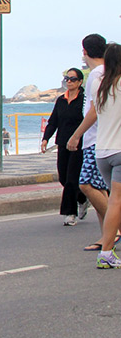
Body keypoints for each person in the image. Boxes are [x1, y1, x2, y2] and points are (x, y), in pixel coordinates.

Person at [67, 43, 121, 267]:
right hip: (119, 151)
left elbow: (92, 115)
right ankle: (107, 254)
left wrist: (76, 135)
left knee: (115, 201)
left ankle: (108, 247)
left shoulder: (101, 86)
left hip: (102, 153)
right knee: (116, 201)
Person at [41, 68, 87, 226]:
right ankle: (82, 197)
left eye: (73, 79)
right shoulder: (61, 100)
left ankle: (69, 213)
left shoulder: (85, 100)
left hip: (79, 144)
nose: (69, 81)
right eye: (67, 78)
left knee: (72, 179)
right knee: (63, 178)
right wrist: (45, 138)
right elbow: (53, 120)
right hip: (62, 142)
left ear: (80, 82)